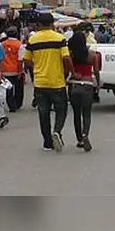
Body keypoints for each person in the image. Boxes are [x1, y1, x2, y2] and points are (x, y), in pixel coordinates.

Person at [25, 13, 74, 152]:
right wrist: (70, 72)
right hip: (57, 82)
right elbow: (66, 58)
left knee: (43, 113)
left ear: (38, 25)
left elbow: (27, 59)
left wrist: (36, 68)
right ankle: (57, 131)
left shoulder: (33, 40)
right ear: (52, 24)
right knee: (61, 109)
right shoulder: (59, 38)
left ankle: (47, 142)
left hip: (40, 83)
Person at [67, 27, 101, 152]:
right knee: (86, 113)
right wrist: (97, 83)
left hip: (74, 85)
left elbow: (67, 70)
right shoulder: (92, 55)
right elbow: (96, 71)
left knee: (76, 114)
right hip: (87, 85)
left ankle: (79, 140)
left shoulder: (70, 55)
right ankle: (85, 133)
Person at [0, 27, 25, 112]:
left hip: (5, 69)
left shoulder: (2, 44)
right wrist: (20, 71)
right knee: (18, 88)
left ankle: (11, 106)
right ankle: (17, 104)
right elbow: (20, 59)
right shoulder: (19, 44)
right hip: (15, 69)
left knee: (8, 89)